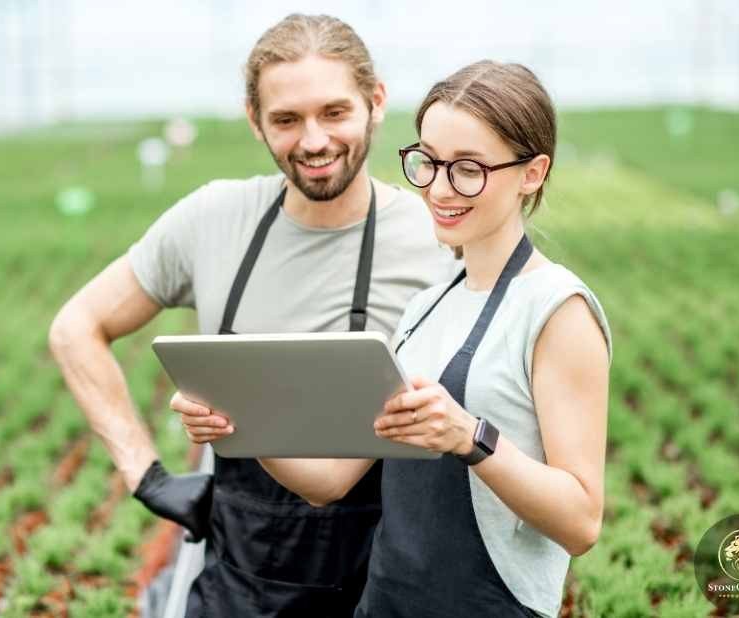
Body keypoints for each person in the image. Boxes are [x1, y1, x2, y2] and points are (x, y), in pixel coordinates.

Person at [48, 14, 456, 618]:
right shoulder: (213, 221)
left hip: (383, 583)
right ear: (255, 120)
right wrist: (147, 476)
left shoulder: (435, 241)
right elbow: (75, 329)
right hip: (241, 585)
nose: (313, 141)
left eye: (334, 112)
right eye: (286, 120)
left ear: (375, 102)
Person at [179, 60, 612, 618]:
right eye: (428, 162)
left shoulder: (556, 310)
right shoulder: (425, 307)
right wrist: (239, 418)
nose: (439, 188)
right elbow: (330, 481)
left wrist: (469, 437)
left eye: (468, 169)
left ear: (532, 173)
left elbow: (581, 521)